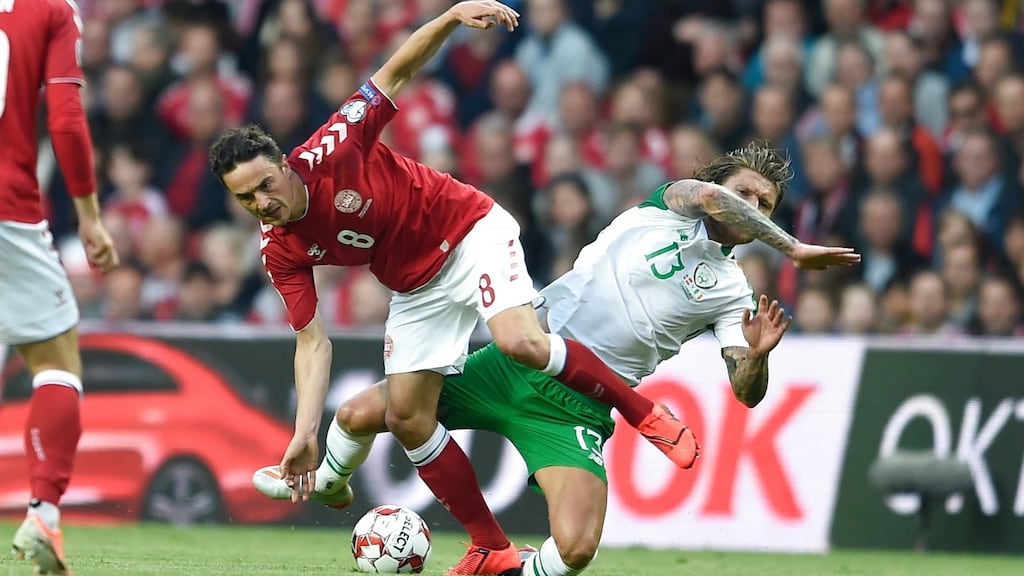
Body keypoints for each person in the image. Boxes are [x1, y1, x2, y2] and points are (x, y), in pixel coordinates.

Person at [209, 2, 702, 574]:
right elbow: (313, 343)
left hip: (467, 231)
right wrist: (304, 431)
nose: (262, 203)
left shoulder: (333, 147)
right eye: (246, 199)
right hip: (416, 285)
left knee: (521, 342)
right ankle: (490, 547)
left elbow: (393, 72)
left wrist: (448, 19)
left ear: (285, 165)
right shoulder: (279, 248)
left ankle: (645, 414)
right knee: (406, 417)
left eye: (265, 186)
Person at [252, 142, 861, 576]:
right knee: (360, 413)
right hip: (518, 359)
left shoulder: (732, 292)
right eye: (746, 193)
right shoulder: (667, 205)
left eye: (768, 204)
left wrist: (755, 358)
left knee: (575, 549)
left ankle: (501, 570)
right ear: (721, 188)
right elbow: (706, 196)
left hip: (581, 404)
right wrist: (794, 246)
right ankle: (330, 481)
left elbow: (745, 392)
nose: (755, 207)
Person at [1, 1, 120, 574]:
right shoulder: (50, 7)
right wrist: (90, 216)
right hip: (7, 208)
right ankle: (43, 511)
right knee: (56, 361)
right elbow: (66, 118)